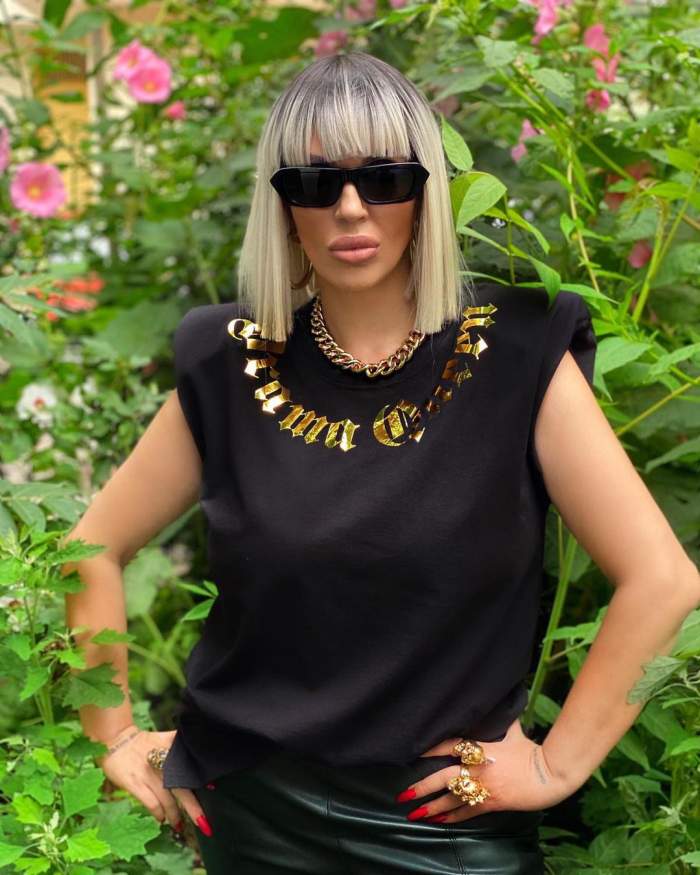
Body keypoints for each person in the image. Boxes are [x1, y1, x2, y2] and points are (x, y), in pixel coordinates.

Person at [62, 51, 700, 875]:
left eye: (385, 178)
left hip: (446, 826)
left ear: (426, 192)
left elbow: (663, 579)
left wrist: (556, 764)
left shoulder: (513, 350)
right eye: (315, 183)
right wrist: (113, 732)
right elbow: (90, 549)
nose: (350, 208)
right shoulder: (231, 363)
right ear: (283, 205)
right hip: (254, 820)